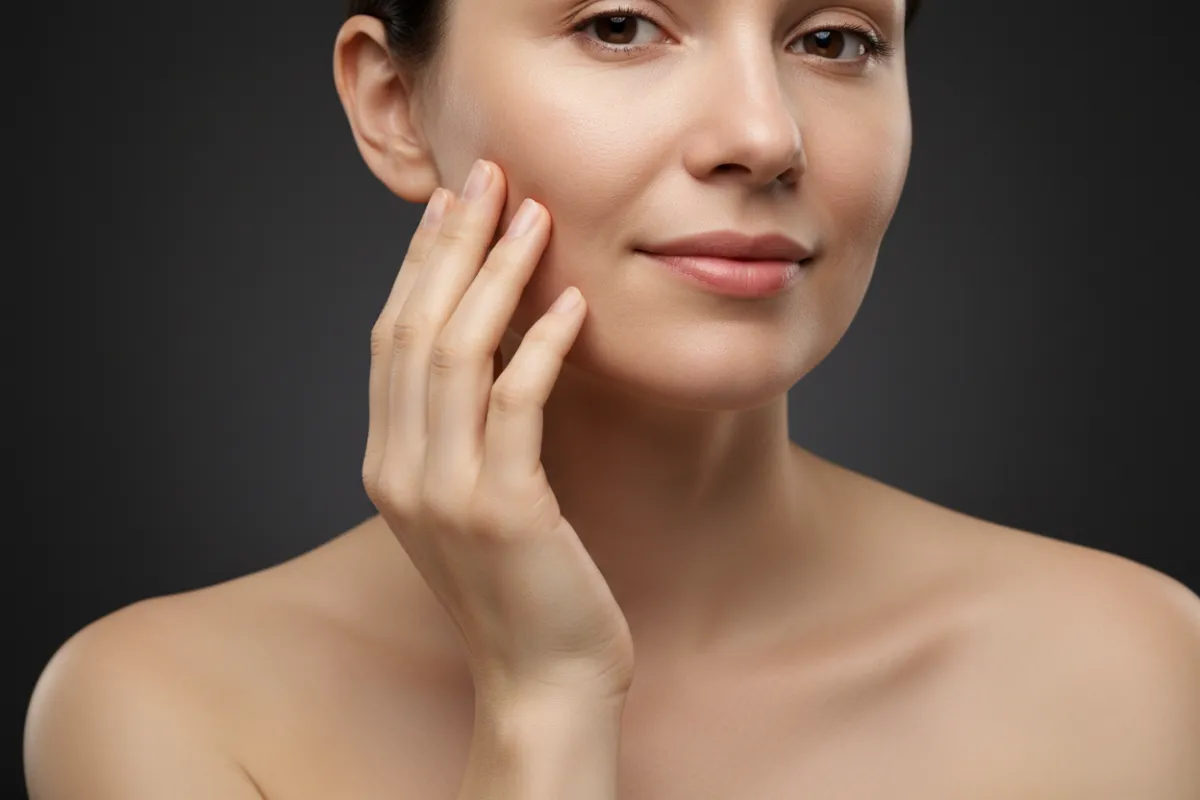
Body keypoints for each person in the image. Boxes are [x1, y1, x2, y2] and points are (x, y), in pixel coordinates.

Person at [23, 0, 1200, 797]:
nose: (763, 133)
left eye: (835, 39)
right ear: (392, 102)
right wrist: (545, 704)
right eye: (622, 25)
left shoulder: (1140, 670)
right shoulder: (167, 712)